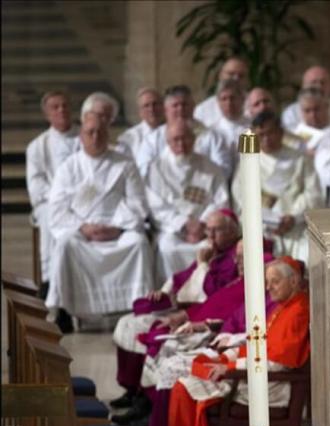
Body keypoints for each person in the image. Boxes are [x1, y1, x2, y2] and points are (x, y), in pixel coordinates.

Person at [153, 256, 310, 426]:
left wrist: (230, 367)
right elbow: (260, 345)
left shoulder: (298, 312)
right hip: (254, 377)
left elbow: (278, 362)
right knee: (189, 377)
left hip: (269, 386)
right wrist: (228, 356)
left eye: (274, 282)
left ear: (293, 281)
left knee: (183, 389)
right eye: (267, 282)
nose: (268, 288)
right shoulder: (284, 307)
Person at [110, 210, 241, 422]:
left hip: (197, 315)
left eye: (216, 230)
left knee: (149, 333)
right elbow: (182, 279)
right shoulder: (213, 250)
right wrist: (164, 292)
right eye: (208, 229)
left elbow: (207, 293)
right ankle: (133, 390)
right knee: (127, 323)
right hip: (186, 310)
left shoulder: (231, 259)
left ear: (233, 231)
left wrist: (203, 266)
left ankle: (148, 404)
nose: (210, 234)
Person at [44, 112, 152, 330]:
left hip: (118, 229)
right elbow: (56, 208)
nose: (95, 137)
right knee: (65, 244)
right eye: (89, 132)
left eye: (100, 132)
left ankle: (140, 308)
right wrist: (84, 228)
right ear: (81, 137)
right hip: (82, 231)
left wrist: (116, 228)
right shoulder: (69, 167)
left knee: (138, 244)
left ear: (108, 134)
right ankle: (64, 310)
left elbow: (138, 203)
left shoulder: (125, 164)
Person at [231, 111, 323, 261]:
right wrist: (266, 219)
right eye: (261, 135)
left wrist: (293, 217)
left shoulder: (300, 159)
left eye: (270, 133)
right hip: (262, 229)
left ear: (281, 132)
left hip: (297, 228)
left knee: (310, 257)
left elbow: (313, 195)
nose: (266, 139)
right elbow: (241, 198)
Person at [144, 120, 229, 279]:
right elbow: (155, 205)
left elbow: (220, 201)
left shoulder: (210, 167)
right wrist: (184, 224)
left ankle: (204, 295)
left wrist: (203, 224)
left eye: (186, 138)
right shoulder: (156, 168)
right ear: (168, 141)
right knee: (167, 248)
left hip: (205, 229)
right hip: (173, 228)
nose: (181, 144)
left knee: (210, 248)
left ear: (194, 139)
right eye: (176, 139)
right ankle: (172, 295)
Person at [25, 90, 81, 295]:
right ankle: (49, 280)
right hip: (51, 201)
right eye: (55, 107)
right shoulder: (37, 146)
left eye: (65, 105)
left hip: (83, 200)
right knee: (50, 217)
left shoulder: (86, 136)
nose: (62, 110)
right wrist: (60, 197)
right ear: (47, 114)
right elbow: (36, 184)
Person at [135, 85, 233, 179]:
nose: (180, 109)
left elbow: (224, 169)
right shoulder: (152, 139)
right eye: (175, 105)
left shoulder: (212, 137)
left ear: (193, 107)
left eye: (185, 104)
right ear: (165, 109)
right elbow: (143, 170)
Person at [193, 56, 250, 127]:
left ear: (247, 80)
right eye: (231, 74)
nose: (235, 79)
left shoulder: (256, 105)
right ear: (220, 75)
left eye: (241, 76)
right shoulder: (202, 110)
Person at [281, 65, 330, 132]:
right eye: (313, 82)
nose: (318, 86)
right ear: (303, 86)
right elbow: (290, 139)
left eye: (323, 82)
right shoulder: (291, 113)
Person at [208, 79, 249, 164]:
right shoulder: (212, 132)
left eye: (232, 98)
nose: (229, 103)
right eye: (224, 99)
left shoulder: (253, 127)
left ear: (242, 99)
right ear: (218, 102)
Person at [117, 87, 165, 159]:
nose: (151, 109)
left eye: (155, 104)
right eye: (146, 106)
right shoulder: (130, 137)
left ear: (163, 106)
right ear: (140, 112)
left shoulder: (175, 131)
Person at [289, 87, 330, 153]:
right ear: (301, 111)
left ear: (326, 107)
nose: (313, 115)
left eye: (316, 109)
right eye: (307, 111)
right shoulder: (293, 137)